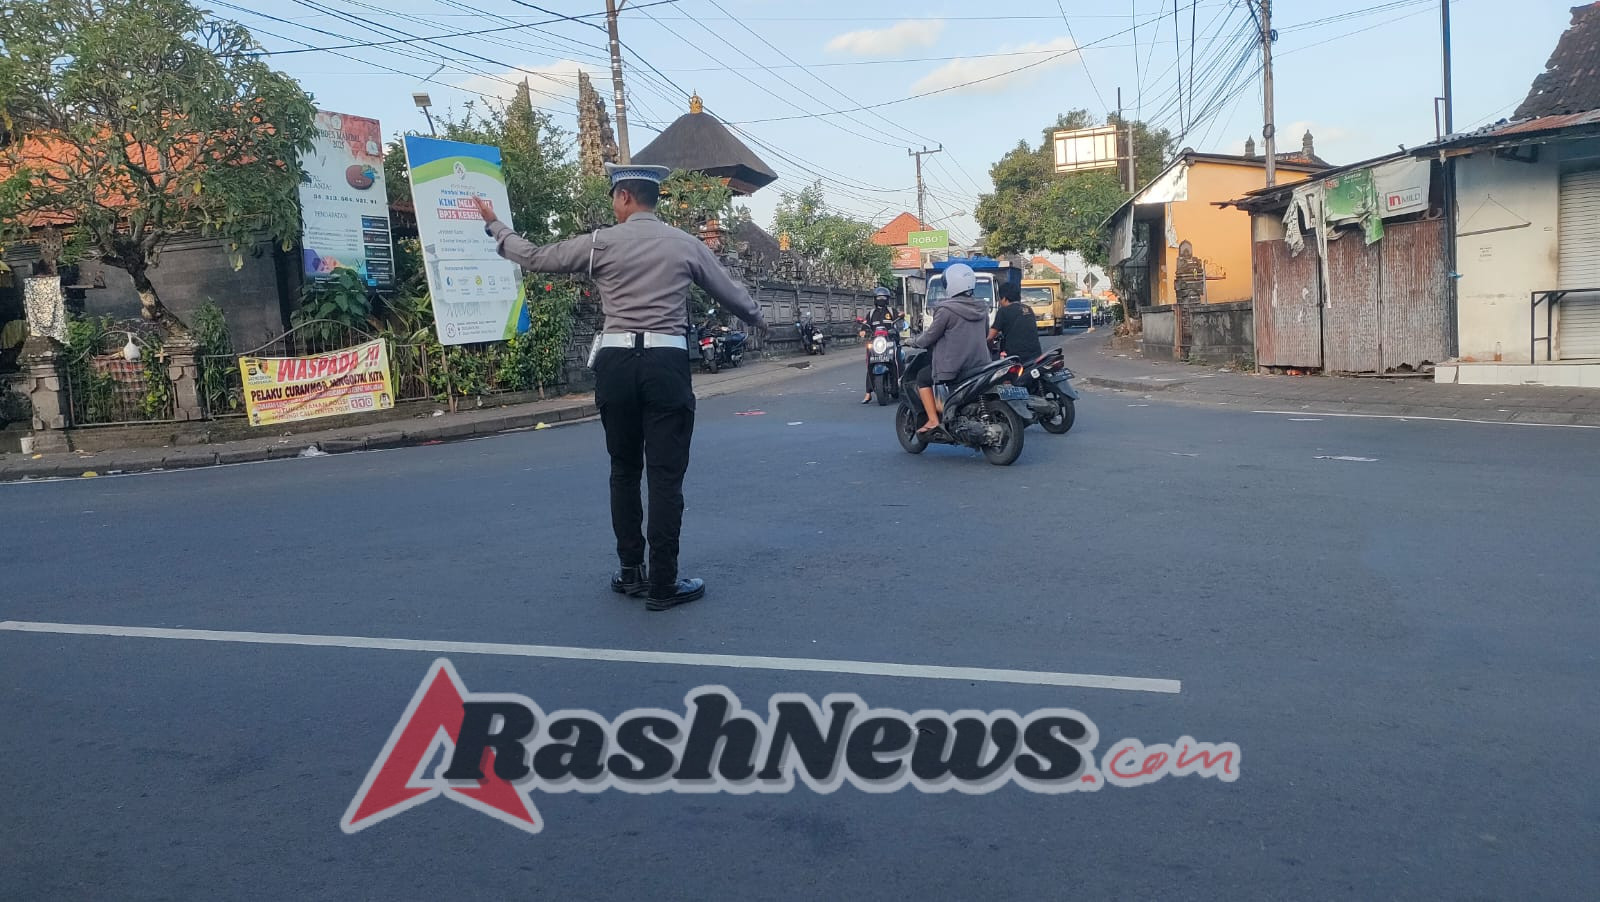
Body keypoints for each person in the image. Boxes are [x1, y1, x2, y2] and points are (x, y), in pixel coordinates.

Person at [468, 163, 768, 611]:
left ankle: (631, 573)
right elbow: (733, 295)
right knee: (666, 477)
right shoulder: (686, 245)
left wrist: (494, 224)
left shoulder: (600, 243)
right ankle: (664, 583)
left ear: (624, 196)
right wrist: (760, 319)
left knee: (624, 470)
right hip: (666, 364)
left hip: (615, 363)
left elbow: (536, 257)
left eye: (614, 197)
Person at [906, 263, 991, 433]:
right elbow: (986, 332)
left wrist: (913, 341)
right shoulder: (982, 307)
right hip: (981, 364)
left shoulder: (945, 309)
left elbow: (930, 336)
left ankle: (932, 420)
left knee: (922, 378)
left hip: (954, 366)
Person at [858, 287, 897, 404]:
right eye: (879, 298)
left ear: (887, 299)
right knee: (870, 363)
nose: (881, 300)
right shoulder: (871, 314)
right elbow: (865, 326)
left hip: (890, 342)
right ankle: (868, 393)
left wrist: (896, 330)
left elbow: (900, 323)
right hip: (876, 343)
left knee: (896, 360)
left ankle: (899, 384)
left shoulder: (891, 312)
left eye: (884, 297)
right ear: (875, 299)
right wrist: (863, 331)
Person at [989, 282, 1042, 363]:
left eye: (1000, 299)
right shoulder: (1028, 309)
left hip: (1016, 357)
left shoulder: (1003, 311)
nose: (1000, 302)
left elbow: (990, 337)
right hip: (1036, 355)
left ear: (1004, 298)